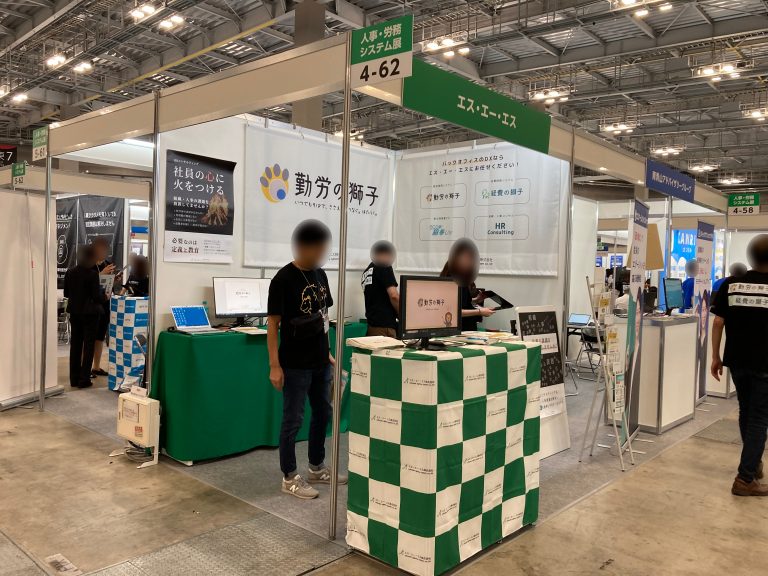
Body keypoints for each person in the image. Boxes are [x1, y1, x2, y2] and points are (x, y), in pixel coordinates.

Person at [267, 219, 346, 500]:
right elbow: (272, 325)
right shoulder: (282, 279)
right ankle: (289, 476)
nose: (322, 254)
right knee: (293, 419)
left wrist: (327, 352)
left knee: (323, 413)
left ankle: (316, 467)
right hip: (294, 363)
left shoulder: (320, 275)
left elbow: (324, 317)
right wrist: (275, 366)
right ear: (303, 247)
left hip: (320, 362)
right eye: (318, 248)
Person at [711, 234, 768, 496]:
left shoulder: (731, 284)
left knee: (746, 411)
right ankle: (745, 478)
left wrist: (715, 356)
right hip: (764, 362)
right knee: (759, 418)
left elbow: (718, 322)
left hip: (736, 360)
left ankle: (753, 463)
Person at [64, 245, 102, 389]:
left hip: (74, 312)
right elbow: (96, 297)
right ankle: (84, 379)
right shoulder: (92, 274)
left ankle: (74, 379)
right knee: (88, 346)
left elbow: (66, 293)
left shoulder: (70, 272)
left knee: (75, 346)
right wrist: (105, 296)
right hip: (90, 314)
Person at [440, 238, 494, 331]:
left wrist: (477, 300)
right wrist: (479, 312)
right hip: (458, 330)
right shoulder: (451, 281)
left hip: (469, 329)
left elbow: (463, 304)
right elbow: (454, 311)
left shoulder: (464, 279)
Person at [361, 241, 399, 337]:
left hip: (372, 327)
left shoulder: (367, 271)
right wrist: (403, 316)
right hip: (385, 328)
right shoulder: (384, 265)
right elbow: (394, 295)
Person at [91, 236, 115, 377]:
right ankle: (84, 368)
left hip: (104, 305)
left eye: (105, 249)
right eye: (101, 249)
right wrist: (101, 274)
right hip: (91, 306)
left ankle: (96, 366)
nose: (103, 252)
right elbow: (87, 284)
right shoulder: (88, 265)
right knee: (88, 339)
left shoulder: (107, 264)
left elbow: (108, 285)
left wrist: (114, 280)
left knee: (99, 337)